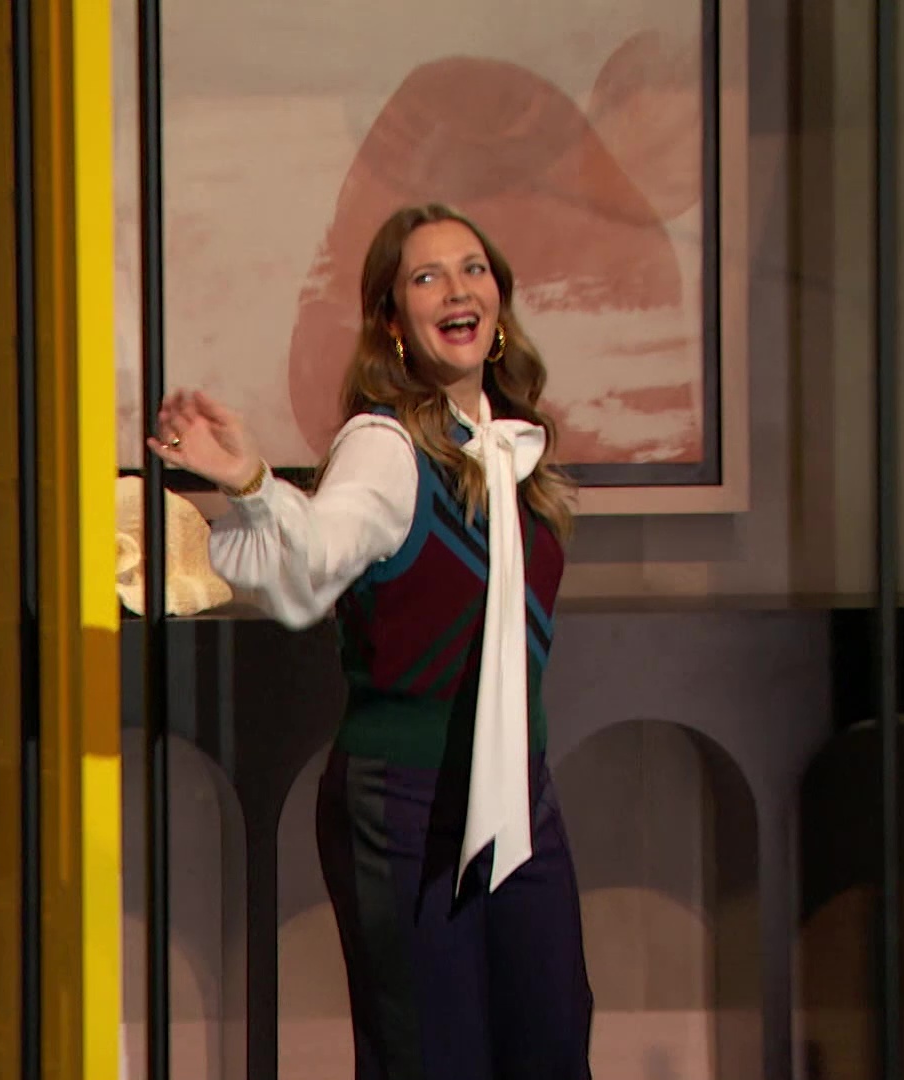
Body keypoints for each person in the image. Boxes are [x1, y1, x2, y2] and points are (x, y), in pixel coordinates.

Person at [147, 203, 595, 1079]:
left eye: (473, 269)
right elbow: (312, 559)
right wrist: (250, 482)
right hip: (406, 803)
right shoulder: (384, 448)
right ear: (393, 322)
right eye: (427, 277)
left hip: (521, 796)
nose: (457, 290)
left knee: (552, 1040)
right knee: (432, 1058)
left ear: (499, 303)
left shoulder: (516, 451)